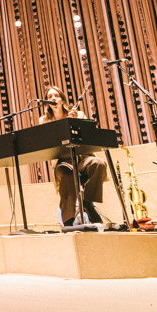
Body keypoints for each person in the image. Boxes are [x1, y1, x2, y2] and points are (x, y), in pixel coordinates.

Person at [38, 84, 107, 226]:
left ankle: (87, 202)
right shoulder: (44, 121)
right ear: (47, 102)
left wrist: (75, 122)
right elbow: (46, 143)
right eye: (50, 97)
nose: (53, 98)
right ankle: (68, 221)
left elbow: (88, 137)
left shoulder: (79, 114)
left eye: (56, 96)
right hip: (62, 162)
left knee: (99, 164)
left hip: (82, 158)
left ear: (62, 99)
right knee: (68, 175)